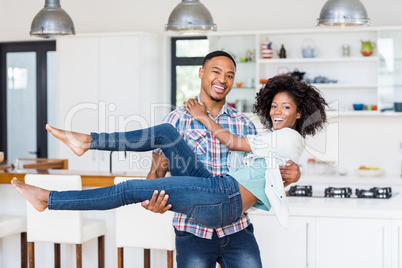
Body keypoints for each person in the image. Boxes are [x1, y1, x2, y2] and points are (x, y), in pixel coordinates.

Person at [12, 75, 328, 262]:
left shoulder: (288, 138)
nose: (276, 110)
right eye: (274, 104)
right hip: (217, 189)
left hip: (224, 202)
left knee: (128, 190)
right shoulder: (269, 139)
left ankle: (49, 199)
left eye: (286, 107)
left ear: (300, 114)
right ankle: (87, 140)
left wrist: (203, 117)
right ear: (203, 74)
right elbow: (265, 177)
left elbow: (232, 143)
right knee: (165, 133)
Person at [141, 50, 301, 267]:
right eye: (216, 72)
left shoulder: (244, 124)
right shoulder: (175, 121)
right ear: (201, 73)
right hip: (193, 232)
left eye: (229, 75)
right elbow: (156, 173)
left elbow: (258, 178)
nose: (223, 79)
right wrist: (154, 201)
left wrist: (288, 177)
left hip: (238, 231)